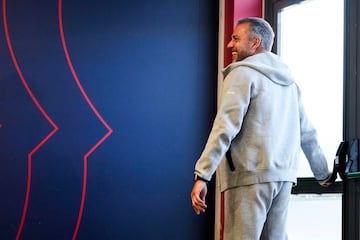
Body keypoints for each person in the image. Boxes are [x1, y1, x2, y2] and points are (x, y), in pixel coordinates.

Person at [190, 17, 334, 240]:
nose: (230, 45)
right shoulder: (289, 82)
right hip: (283, 179)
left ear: (255, 42)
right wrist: (322, 172)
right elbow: (306, 132)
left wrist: (202, 174)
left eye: (236, 39)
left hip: (249, 177)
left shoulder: (242, 74)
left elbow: (225, 126)